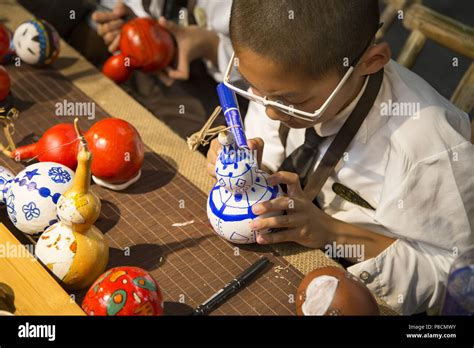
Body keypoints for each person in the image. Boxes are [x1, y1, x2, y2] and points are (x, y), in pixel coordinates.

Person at [206, 0, 474, 315]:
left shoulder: (426, 150)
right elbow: (269, 137)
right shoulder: (284, 80)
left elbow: (456, 278)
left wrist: (332, 233)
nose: (269, 111)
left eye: (291, 101)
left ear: (371, 61)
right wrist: (251, 173)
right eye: (256, 90)